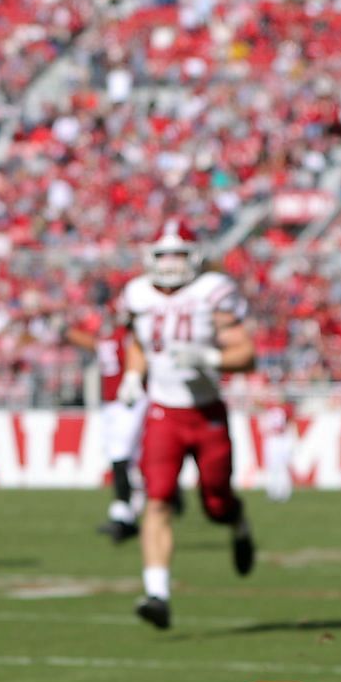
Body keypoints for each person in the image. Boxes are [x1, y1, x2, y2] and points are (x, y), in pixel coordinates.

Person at [117, 218, 257, 630]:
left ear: (195, 257)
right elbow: (140, 341)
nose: (172, 263)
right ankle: (156, 593)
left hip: (206, 411)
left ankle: (239, 522)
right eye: (165, 254)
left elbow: (246, 353)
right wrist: (131, 374)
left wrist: (207, 359)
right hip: (163, 412)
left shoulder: (213, 292)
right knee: (157, 499)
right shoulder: (138, 294)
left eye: (180, 253)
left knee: (216, 504)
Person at [65, 294, 143, 540]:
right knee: (120, 458)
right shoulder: (111, 337)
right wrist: (66, 330)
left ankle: (122, 513)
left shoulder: (132, 337)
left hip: (129, 401)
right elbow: (90, 342)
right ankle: (127, 511)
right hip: (111, 404)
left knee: (122, 456)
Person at [259, 392, 295, 504]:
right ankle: (275, 492)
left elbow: (288, 424)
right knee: (274, 467)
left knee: (280, 467)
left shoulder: (283, 409)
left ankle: (281, 492)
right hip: (276, 439)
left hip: (279, 439)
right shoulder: (277, 408)